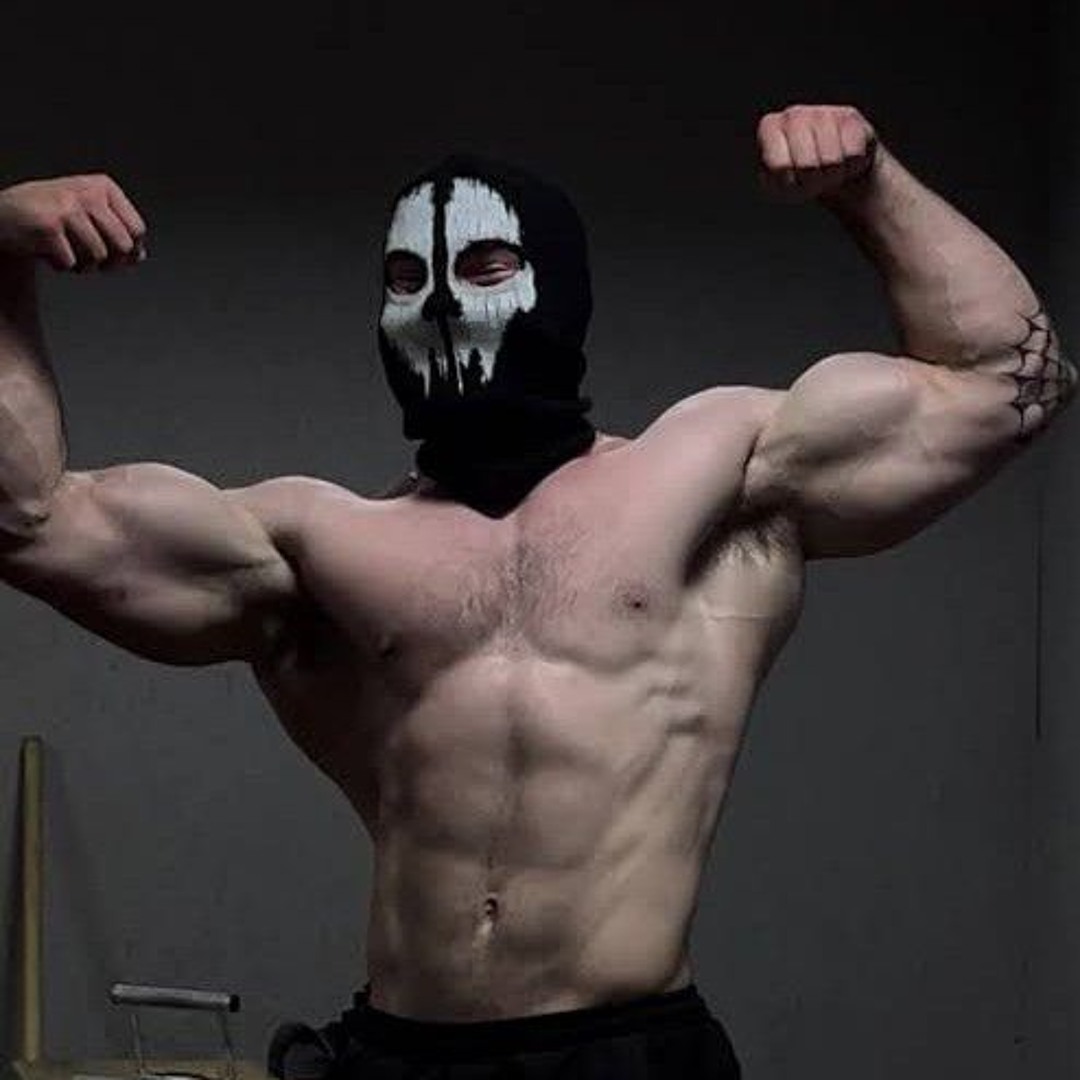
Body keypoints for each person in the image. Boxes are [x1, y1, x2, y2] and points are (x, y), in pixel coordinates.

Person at [0, 103, 1072, 1079]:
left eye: (486, 265)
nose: (441, 306)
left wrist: (869, 181)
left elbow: (1008, 382)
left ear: (555, 284)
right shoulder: (311, 545)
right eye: (407, 281)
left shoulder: (715, 474)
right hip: (399, 1055)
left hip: (626, 1052)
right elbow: (29, 517)